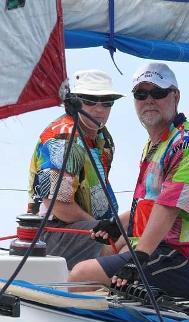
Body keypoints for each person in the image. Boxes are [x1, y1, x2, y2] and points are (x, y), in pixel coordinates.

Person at [69, 62, 189, 299]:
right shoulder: (160, 143)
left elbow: (169, 207)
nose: (149, 100)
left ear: (175, 96)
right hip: (165, 251)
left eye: (158, 92)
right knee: (104, 251)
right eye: (141, 94)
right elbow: (151, 203)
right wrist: (116, 224)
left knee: (82, 274)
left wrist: (140, 256)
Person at [28, 69, 125, 269]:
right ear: (73, 102)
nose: (99, 109)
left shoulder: (103, 138)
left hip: (80, 227)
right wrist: (101, 229)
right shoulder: (64, 139)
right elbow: (59, 206)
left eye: (107, 102)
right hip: (50, 233)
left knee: (141, 232)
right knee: (128, 244)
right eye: (89, 100)